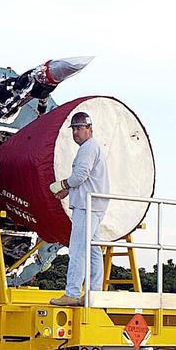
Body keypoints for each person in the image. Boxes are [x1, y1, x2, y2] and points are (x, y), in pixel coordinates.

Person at [50, 111, 110, 306]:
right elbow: (84, 179)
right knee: (92, 250)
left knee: (77, 249)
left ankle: (72, 292)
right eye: (74, 129)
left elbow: (80, 175)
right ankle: (94, 293)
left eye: (79, 128)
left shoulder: (87, 148)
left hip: (86, 206)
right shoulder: (92, 147)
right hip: (94, 204)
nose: (75, 132)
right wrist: (68, 190)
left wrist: (63, 185)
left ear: (89, 129)